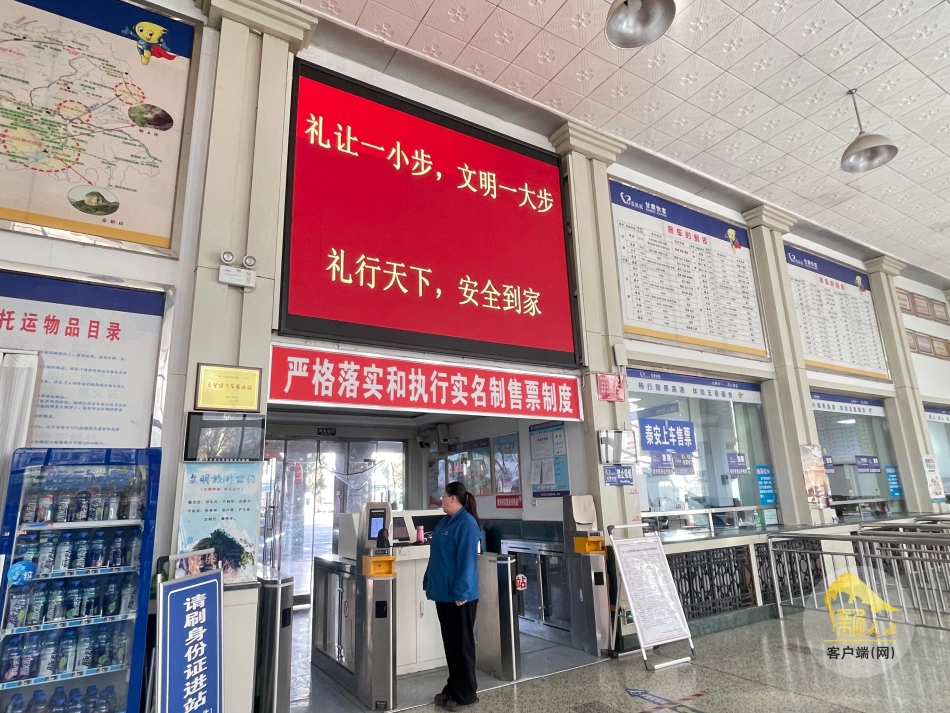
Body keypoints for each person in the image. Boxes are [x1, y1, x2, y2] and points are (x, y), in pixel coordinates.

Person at [423, 481, 481, 711]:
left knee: (462, 644)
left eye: (444, 496)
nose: (441, 500)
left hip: (459, 596)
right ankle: (454, 685)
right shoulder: (445, 522)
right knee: (451, 644)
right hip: (443, 594)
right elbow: (436, 556)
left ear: (453, 498)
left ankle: (467, 693)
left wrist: (462, 591)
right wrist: (428, 581)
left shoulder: (467, 523)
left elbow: (468, 561)